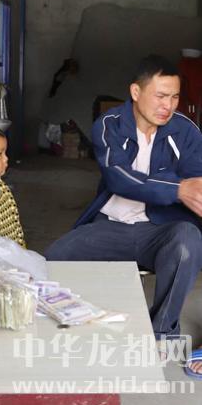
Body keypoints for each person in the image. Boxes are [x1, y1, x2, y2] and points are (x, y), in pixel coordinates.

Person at [45, 54, 202, 345]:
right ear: (136, 92)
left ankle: (162, 334)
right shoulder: (109, 124)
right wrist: (177, 188)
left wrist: (191, 192)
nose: (168, 106)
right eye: (161, 96)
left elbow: (197, 182)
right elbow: (119, 177)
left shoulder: (186, 132)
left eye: (175, 97)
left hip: (161, 230)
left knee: (187, 240)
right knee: (54, 260)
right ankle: (73, 328)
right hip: (111, 226)